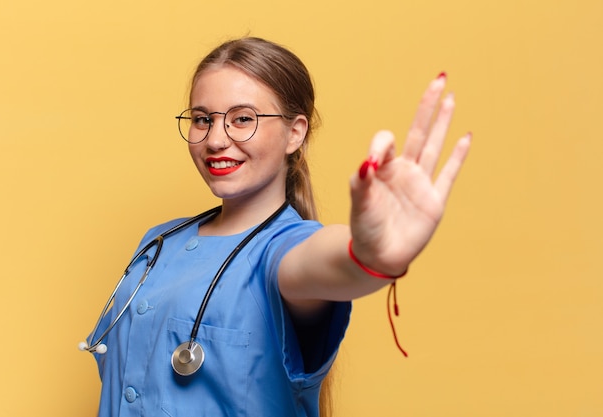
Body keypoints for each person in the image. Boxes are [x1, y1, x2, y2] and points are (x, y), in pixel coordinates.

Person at [84, 37, 471, 417]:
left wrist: (369, 255)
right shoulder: (159, 241)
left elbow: (325, 262)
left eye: (242, 119)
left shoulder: (284, 250)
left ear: (295, 132)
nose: (216, 139)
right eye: (203, 119)